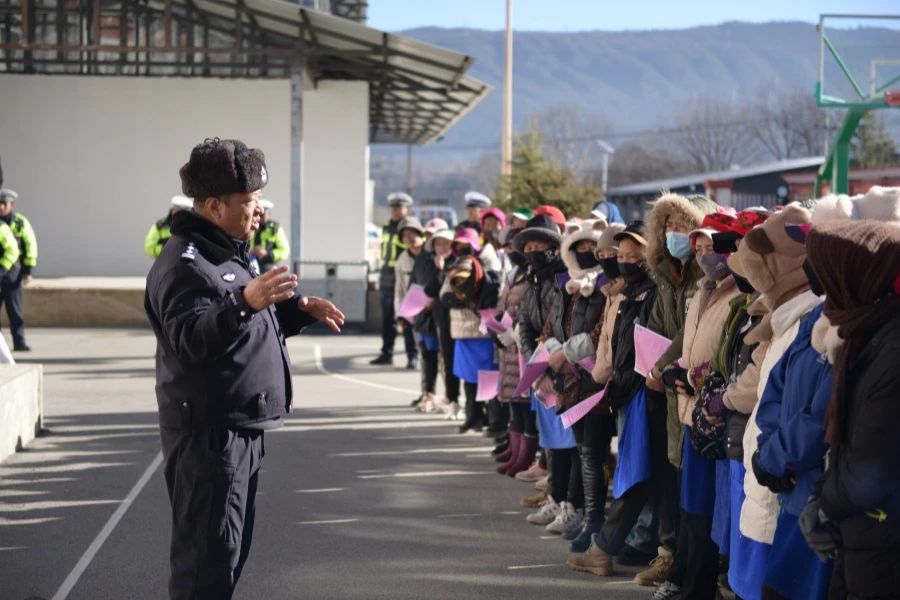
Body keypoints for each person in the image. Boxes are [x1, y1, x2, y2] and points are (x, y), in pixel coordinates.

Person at [144, 138, 344, 599]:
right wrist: (245, 301)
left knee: (227, 557)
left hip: (237, 432)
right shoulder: (185, 264)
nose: (258, 211)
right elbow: (190, 339)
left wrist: (296, 311)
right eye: (249, 201)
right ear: (213, 205)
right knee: (205, 566)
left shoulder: (224, 250)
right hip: (209, 439)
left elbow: (242, 326)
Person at [801, 219, 900, 600]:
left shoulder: (891, 348)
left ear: (854, 278)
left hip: (882, 539)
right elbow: (844, 445)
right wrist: (823, 496)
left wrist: (824, 505)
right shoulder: (864, 332)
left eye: (828, 277)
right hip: (860, 530)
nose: (823, 292)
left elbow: (874, 465)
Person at [637, 192, 718, 587]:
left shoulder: (706, 279)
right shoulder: (666, 276)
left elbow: (693, 335)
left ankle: (688, 567)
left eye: (684, 227)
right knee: (672, 476)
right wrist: (652, 365)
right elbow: (655, 328)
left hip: (694, 389)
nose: (675, 234)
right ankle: (670, 556)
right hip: (668, 389)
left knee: (693, 487)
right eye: (668, 227)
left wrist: (665, 364)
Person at [540, 218, 611, 541]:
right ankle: (578, 511)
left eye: (589, 247)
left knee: (592, 453)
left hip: (595, 382)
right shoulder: (566, 287)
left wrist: (567, 352)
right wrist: (553, 350)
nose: (584, 253)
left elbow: (601, 332)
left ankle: (592, 520)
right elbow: (551, 326)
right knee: (582, 449)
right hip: (569, 383)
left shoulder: (604, 287)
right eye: (578, 248)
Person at [371, 192, 417, 368]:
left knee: (406, 318)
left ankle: (412, 355)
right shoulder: (387, 227)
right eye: (393, 208)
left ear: (407, 209)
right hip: (386, 276)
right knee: (387, 319)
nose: (395, 211)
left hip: (404, 276)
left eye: (399, 207)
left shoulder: (408, 229)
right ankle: (386, 353)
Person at [423, 228, 462, 420]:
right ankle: (452, 399)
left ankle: (470, 405)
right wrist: (438, 269)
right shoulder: (434, 264)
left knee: (462, 361)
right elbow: (430, 290)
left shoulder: (460, 261)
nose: (442, 247)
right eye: (438, 243)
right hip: (443, 320)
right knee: (448, 361)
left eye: (446, 243)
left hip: (460, 318)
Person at [0, 188, 36, 351]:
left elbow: (30, 245)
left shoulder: (20, 222)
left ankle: (19, 341)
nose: (0, 207)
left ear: (11, 205)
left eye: (3, 204)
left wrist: (28, 270)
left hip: (13, 272)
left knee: (14, 310)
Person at [393, 216, 425, 375]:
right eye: (405, 235)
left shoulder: (429, 254)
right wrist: (399, 311)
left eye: (413, 233)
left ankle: (426, 358)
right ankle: (411, 357)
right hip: (410, 303)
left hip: (428, 304)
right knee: (407, 330)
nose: (409, 238)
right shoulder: (402, 259)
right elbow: (398, 287)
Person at [250, 199, 290, 273]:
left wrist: (268, 254)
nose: (259, 218)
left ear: (269, 214)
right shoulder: (250, 227)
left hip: (269, 266)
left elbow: (285, 251)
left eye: (262, 215)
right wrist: (251, 250)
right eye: (257, 214)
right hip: (251, 263)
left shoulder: (275, 229)